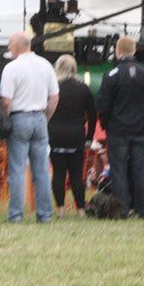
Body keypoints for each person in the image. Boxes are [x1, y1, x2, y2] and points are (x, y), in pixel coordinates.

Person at [97, 36, 144, 219]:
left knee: (118, 170)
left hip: (118, 131)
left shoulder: (111, 75)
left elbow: (104, 105)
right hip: (141, 131)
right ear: (134, 51)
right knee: (141, 170)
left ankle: (121, 210)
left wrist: (106, 125)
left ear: (118, 51)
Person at [1, 32, 59, 223]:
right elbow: (54, 98)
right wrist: (46, 118)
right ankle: (45, 214)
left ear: (17, 46)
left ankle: (16, 214)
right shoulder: (45, 65)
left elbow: (6, 101)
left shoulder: (12, 68)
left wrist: (5, 122)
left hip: (19, 118)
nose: (8, 47)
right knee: (41, 170)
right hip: (40, 118)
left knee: (17, 170)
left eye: (10, 44)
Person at [48, 54, 96, 217]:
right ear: (74, 68)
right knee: (76, 174)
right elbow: (92, 115)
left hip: (55, 134)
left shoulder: (53, 88)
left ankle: (60, 210)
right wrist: (89, 137)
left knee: (58, 173)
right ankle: (81, 210)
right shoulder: (83, 88)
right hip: (76, 135)